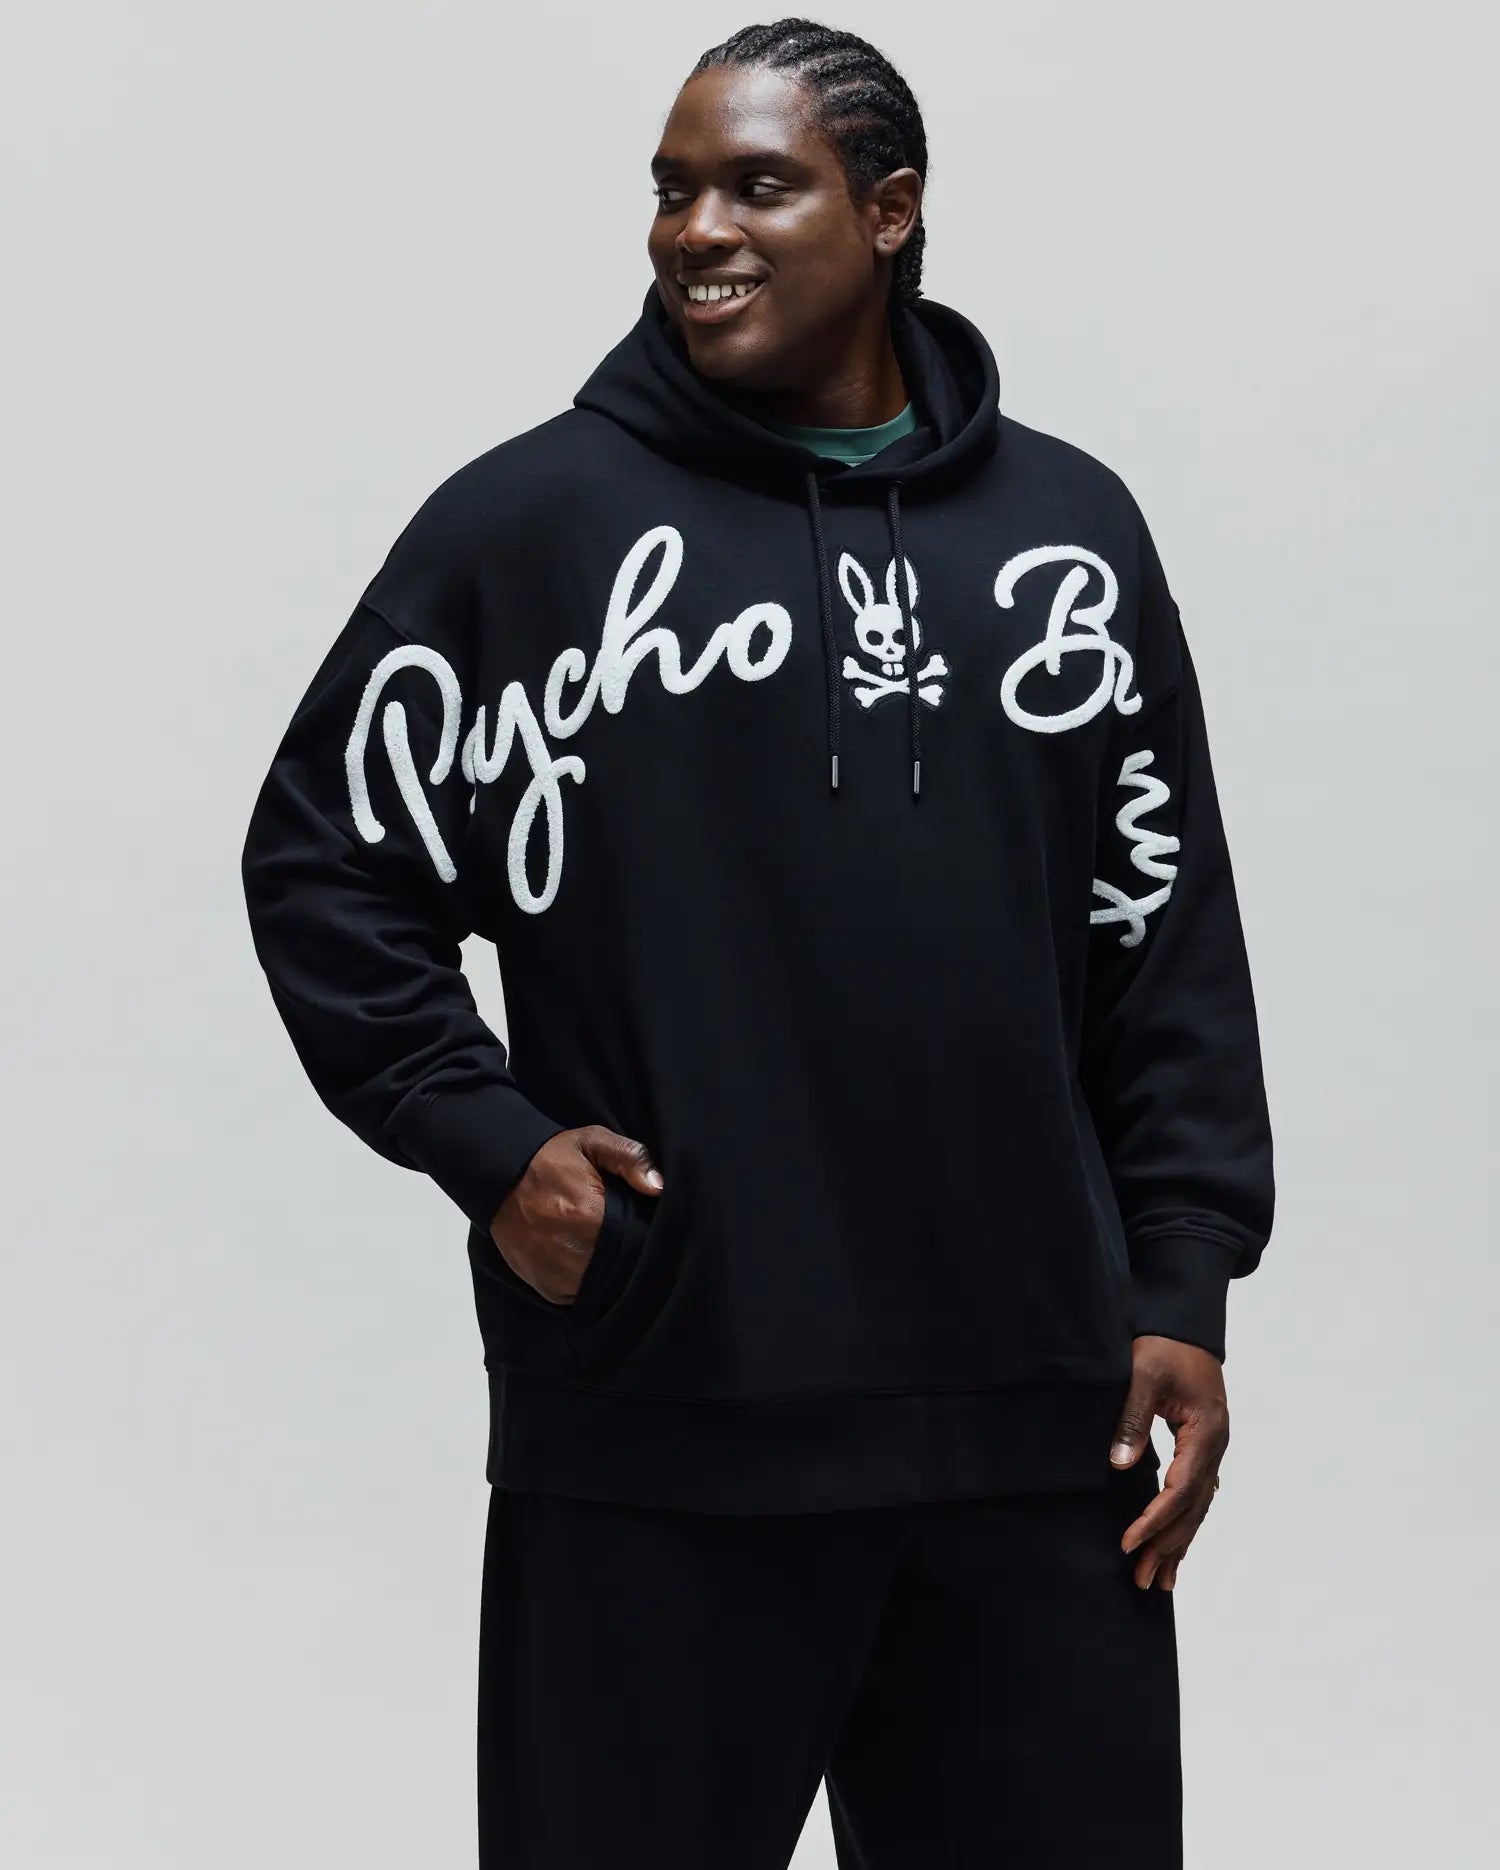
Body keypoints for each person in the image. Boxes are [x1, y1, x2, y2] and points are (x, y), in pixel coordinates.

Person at [240, 17, 1274, 1868]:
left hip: (1035, 1441)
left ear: (890, 211)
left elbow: (1161, 925)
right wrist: (488, 1140)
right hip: (665, 1424)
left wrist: (1180, 1283)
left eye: (757, 185)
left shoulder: (1069, 535)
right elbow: (325, 857)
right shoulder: (536, 526)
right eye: (671, 190)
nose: (694, 229)